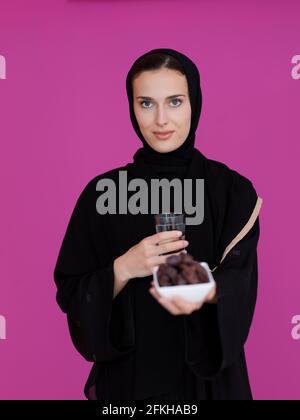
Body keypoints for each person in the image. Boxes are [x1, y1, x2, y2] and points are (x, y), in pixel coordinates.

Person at [53, 48, 263, 400]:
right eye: (146, 103)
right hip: (131, 381)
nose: (161, 119)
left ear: (194, 102)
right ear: (132, 108)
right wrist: (123, 268)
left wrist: (204, 289)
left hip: (207, 385)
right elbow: (72, 289)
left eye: (175, 102)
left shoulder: (231, 191)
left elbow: (241, 279)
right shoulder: (103, 193)